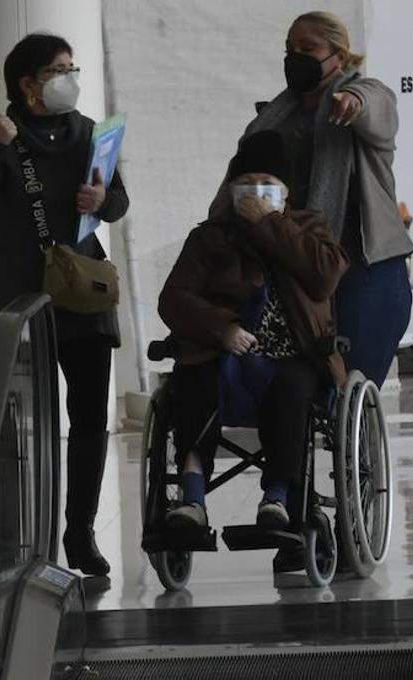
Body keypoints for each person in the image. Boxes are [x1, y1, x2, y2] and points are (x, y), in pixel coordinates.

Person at [0, 33, 129, 577]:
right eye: (58, 69)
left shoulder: (88, 133)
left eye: (71, 66)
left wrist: (103, 201)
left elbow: (118, 201)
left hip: (80, 288)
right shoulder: (1, 136)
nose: (69, 77)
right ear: (28, 84)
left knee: (88, 418)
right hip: (21, 292)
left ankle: (79, 531)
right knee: (14, 419)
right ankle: (10, 532)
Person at [159, 131, 348, 543]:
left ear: (286, 191)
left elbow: (324, 280)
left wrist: (270, 224)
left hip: (291, 352)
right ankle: (192, 498)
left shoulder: (311, 228)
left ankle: (277, 497)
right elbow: (173, 299)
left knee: (293, 386)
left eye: (269, 184)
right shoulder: (209, 237)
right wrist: (222, 327)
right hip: (219, 350)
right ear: (231, 189)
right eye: (249, 183)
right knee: (192, 384)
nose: (257, 193)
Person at [229, 12, 413, 389]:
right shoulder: (275, 117)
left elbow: (377, 106)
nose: (296, 56)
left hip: (365, 270)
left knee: (354, 386)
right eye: (290, 49)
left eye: (308, 48)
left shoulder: (366, 94)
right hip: (299, 268)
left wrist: (353, 101)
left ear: (340, 57)